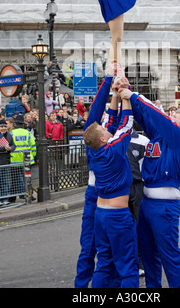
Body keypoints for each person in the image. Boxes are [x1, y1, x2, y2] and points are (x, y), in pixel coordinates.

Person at [119, 88, 180, 288]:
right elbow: (146, 118)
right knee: (148, 253)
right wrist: (128, 98)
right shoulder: (160, 136)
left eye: (174, 117)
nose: (170, 118)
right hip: (147, 203)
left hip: (165, 206)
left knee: (169, 255)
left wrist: (134, 95)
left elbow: (157, 116)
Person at [84, 77, 139, 288]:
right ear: (103, 139)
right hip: (117, 215)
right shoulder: (114, 150)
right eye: (106, 132)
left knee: (104, 263)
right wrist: (125, 93)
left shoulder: (93, 149)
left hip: (101, 213)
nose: (109, 130)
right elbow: (126, 123)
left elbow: (110, 122)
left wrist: (115, 95)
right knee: (127, 266)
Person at [74, 62, 121, 288]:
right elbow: (99, 111)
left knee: (107, 249)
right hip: (100, 195)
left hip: (106, 196)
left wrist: (118, 89)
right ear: (102, 137)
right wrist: (111, 81)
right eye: (103, 128)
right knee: (91, 247)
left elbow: (110, 113)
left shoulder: (107, 137)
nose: (105, 126)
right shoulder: (103, 141)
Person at [127, 128, 149, 275]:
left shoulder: (143, 141)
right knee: (123, 226)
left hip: (138, 186)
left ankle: (141, 261)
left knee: (139, 225)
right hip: (120, 187)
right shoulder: (112, 138)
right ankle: (127, 262)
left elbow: (148, 166)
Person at [10, 115, 36, 202]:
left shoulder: (11, 133)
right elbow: (33, 146)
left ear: (15, 124)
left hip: (15, 160)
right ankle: (29, 196)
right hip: (27, 160)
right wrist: (33, 156)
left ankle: (12, 198)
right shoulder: (28, 133)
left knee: (14, 179)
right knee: (27, 179)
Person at [0, 118, 15, 206]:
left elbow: (13, 145)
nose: (4, 128)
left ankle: (5, 199)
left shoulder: (9, 135)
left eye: (5, 126)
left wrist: (10, 149)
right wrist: (4, 148)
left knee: (5, 182)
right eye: (2, 127)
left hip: (6, 161)